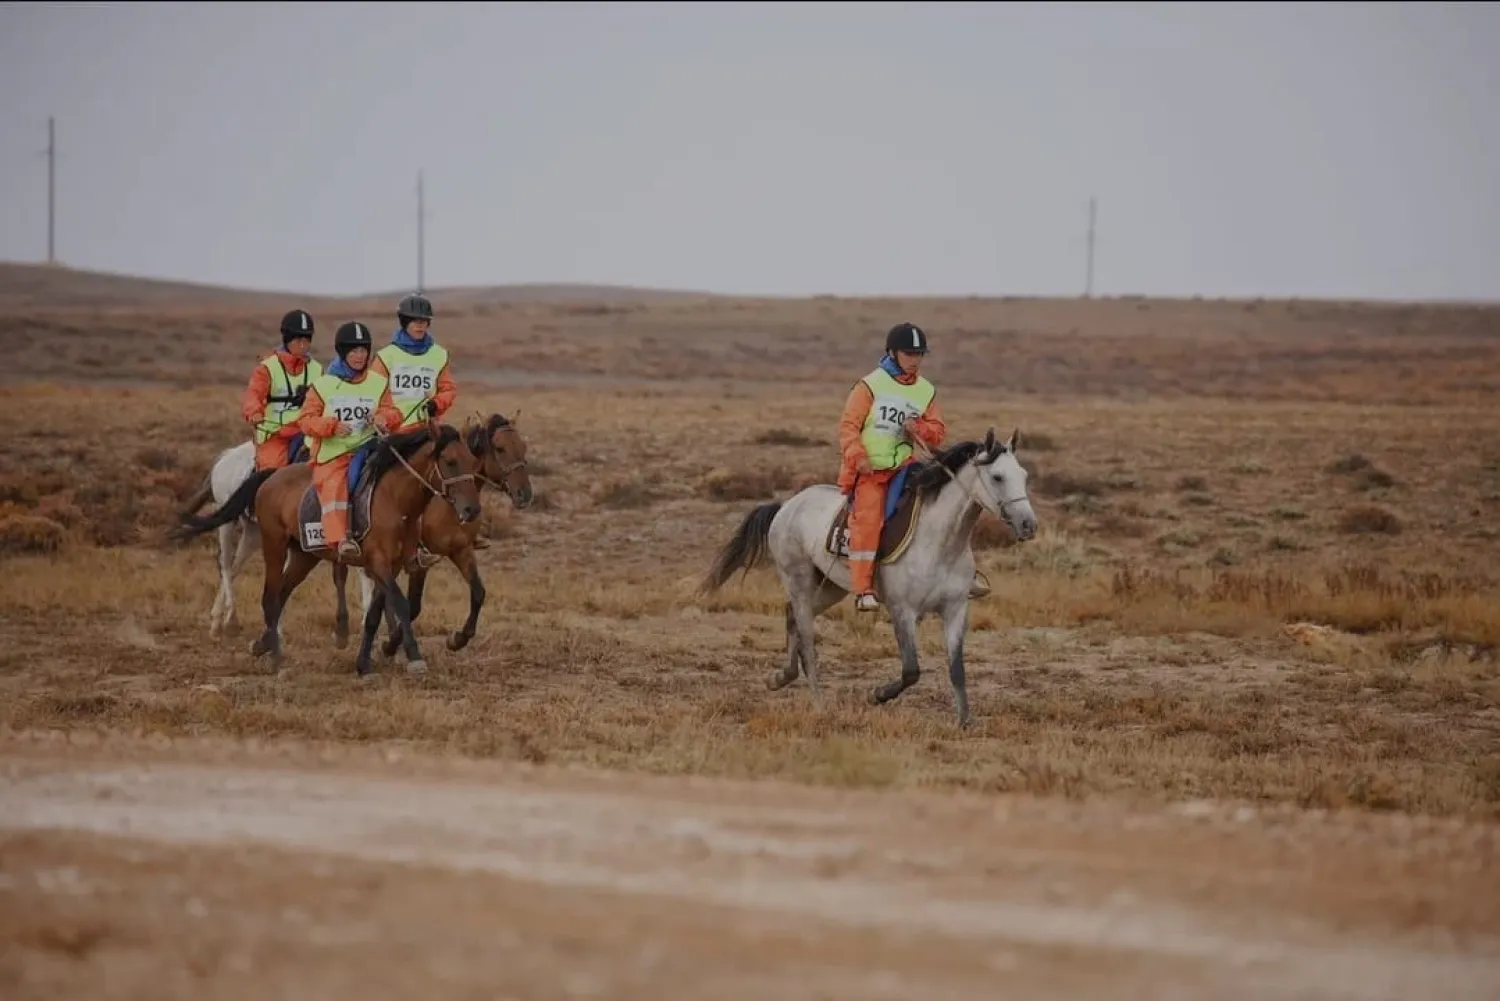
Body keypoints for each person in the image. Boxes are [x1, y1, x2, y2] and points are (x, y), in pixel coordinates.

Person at [837, 321, 988, 612]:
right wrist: (859, 458)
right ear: (892, 353)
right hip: (870, 472)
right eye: (909, 353)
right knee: (869, 520)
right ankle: (863, 589)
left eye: (919, 354)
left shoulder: (925, 391)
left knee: (945, 505)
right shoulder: (869, 385)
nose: (915, 360)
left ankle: (963, 575)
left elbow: (937, 432)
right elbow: (848, 427)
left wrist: (918, 427)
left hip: (905, 468)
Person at [370, 291, 484, 555]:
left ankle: (460, 532)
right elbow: (375, 393)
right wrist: (387, 419)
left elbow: (448, 389)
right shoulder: (386, 357)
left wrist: (437, 404)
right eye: (415, 320)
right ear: (404, 322)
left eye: (424, 320)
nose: (420, 324)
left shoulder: (438, 355)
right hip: (397, 434)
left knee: (457, 471)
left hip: (428, 433)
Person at [297, 320, 402, 563]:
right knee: (335, 487)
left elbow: (394, 413)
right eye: (353, 351)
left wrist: (382, 418)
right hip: (334, 455)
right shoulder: (323, 386)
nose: (359, 355)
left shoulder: (378, 383)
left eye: (363, 350)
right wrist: (331, 426)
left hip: (370, 448)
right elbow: (305, 420)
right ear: (343, 353)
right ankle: (341, 540)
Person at [241, 308, 323, 471]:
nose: (303, 344)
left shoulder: (317, 369)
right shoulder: (267, 368)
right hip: (275, 434)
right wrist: (254, 412)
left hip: (307, 430)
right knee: (271, 474)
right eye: (298, 339)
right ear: (287, 339)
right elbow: (254, 393)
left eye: (307, 339)